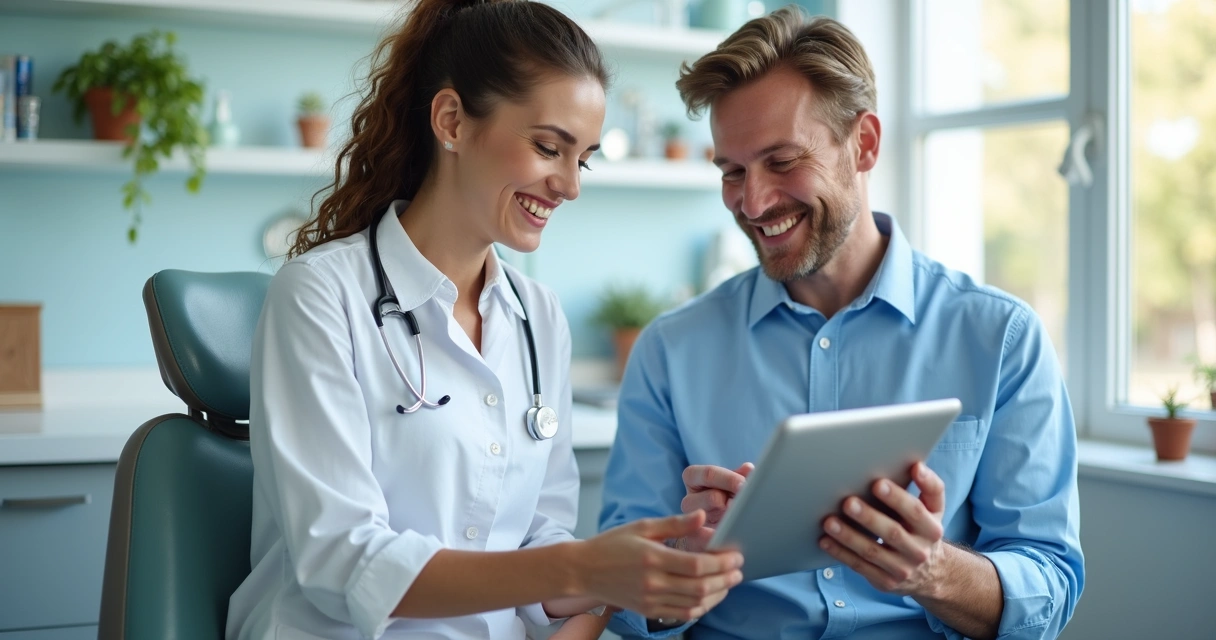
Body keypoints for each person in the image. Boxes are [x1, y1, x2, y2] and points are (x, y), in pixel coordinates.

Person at [224, 1, 744, 638]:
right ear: (451, 121)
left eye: (581, 160)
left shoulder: (537, 317)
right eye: (548, 147)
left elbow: (538, 545)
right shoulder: (320, 296)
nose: (569, 187)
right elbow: (340, 559)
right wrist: (581, 565)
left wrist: (655, 573)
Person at [599, 7, 1084, 640]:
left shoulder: (1001, 340)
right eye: (732, 171)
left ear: (865, 144)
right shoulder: (670, 351)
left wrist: (932, 571)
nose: (753, 202)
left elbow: (1049, 586)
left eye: (782, 160)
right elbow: (617, 601)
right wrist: (683, 571)